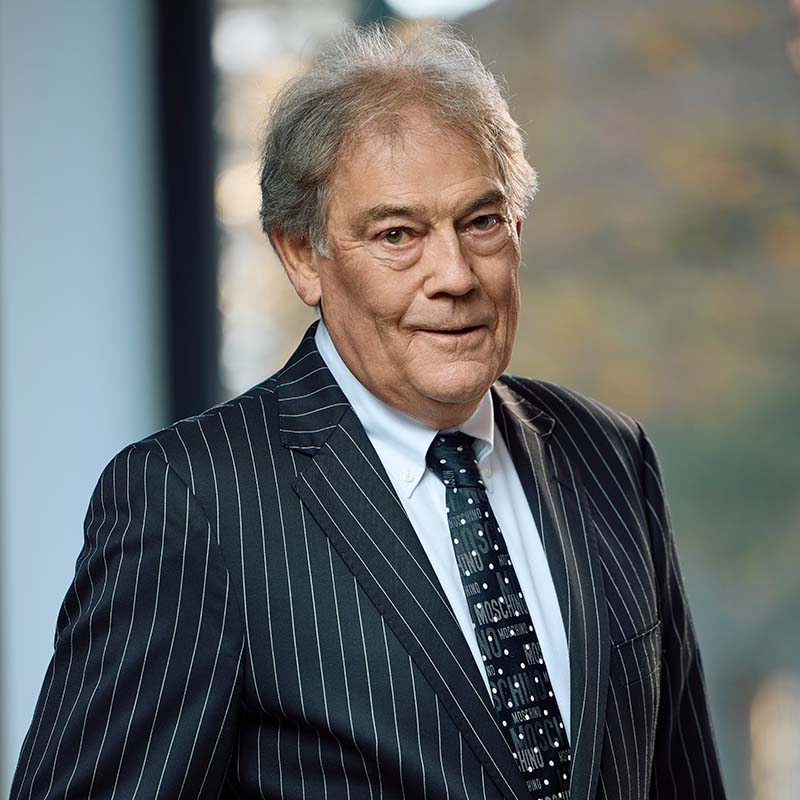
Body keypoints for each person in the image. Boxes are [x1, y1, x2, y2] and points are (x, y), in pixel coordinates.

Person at [11, 25, 726, 800]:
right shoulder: (193, 502)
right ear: (301, 257)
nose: (455, 275)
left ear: (517, 230)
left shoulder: (610, 454)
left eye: (481, 222)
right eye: (397, 235)